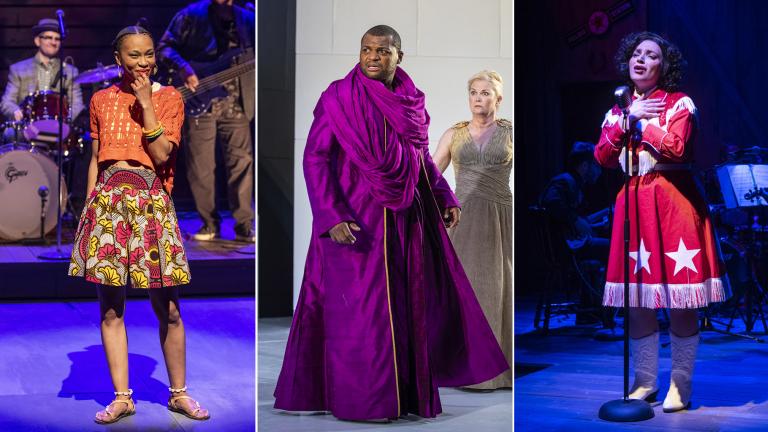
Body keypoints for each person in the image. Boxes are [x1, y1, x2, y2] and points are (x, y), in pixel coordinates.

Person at [273, 25, 508, 421]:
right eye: (366, 49)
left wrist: (442, 194)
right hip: (354, 222)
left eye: (382, 51)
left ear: (398, 56)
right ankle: (365, 402)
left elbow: (419, 157)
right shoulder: (338, 97)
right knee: (361, 314)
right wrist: (330, 217)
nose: (372, 57)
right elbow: (315, 158)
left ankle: (403, 397)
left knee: (402, 310)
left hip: (403, 222)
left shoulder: (411, 101)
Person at [67, 25, 209, 424]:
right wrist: (89, 207)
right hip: (108, 204)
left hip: (150, 204)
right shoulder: (100, 100)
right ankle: (122, 396)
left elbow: (163, 155)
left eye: (148, 54)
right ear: (118, 59)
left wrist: (147, 103)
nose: (143, 62)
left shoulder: (168, 98)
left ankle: (178, 393)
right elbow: (97, 157)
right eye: (134, 55)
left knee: (170, 308)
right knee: (111, 308)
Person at [594, 31, 728, 412]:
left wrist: (646, 125)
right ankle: (644, 381)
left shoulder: (678, 102)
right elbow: (603, 157)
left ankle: (680, 384)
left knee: (680, 300)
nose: (640, 59)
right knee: (638, 299)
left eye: (650, 55)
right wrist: (626, 121)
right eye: (636, 53)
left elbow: (677, 147)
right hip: (634, 200)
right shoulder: (618, 109)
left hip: (672, 201)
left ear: (663, 66)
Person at [432, 70, 512, 390]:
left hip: (498, 215)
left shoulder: (509, 132)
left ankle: (494, 371)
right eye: (474, 93)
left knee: (495, 288)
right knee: (461, 289)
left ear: (498, 99)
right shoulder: (455, 133)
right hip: (461, 216)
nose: (478, 99)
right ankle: (459, 366)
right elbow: (431, 171)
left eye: (485, 93)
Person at [157, 0, 255, 242]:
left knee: (241, 163)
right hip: (200, 96)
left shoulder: (249, 15)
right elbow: (164, 47)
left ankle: (244, 224)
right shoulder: (191, 14)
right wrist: (184, 68)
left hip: (237, 100)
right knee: (201, 166)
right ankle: (208, 223)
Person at [540, 141, 610, 325]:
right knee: (616, 248)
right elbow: (550, 201)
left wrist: (599, 218)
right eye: (597, 165)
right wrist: (576, 220)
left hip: (571, 245)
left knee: (609, 245)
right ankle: (608, 309)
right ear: (585, 166)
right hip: (564, 249)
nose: (600, 171)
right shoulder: (565, 181)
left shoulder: (574, 184)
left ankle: (591, 310)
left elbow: (580, 222)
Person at [1, 18, 84, 127]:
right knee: (10, 134)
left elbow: (77, 104)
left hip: (58, 128)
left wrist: (65, 121)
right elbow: (6, 102)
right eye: (48, 37)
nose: (53, 42)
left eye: (57, 39)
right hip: (27, 126)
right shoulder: (18, 69)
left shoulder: (70, 71)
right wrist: (15, 112)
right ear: (37, 41)